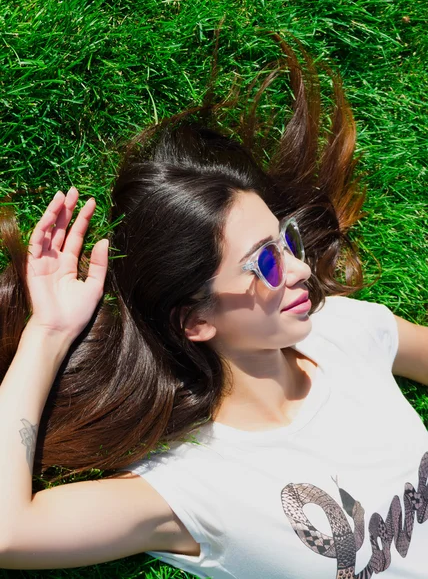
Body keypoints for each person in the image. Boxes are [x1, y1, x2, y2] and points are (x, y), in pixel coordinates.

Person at [0, 32, 427, 579]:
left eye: (286, 242)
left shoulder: (347, 331)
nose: (299, 269)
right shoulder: (194, 483)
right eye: (264, 263)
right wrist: (50, 331)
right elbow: (11, 531)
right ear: (198, 321)